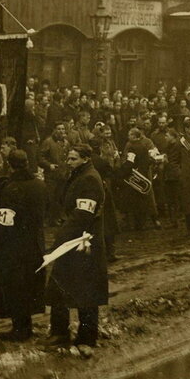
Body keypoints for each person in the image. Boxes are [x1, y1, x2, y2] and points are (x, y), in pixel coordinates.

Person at [44, 144, 109, 354]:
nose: (69, 162)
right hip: (73, 240)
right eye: (68, 158)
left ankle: (87, 337)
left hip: (84, 242)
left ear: (85, 158)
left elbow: (83, 215)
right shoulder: (77, 175)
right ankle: (59, 331)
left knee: (86, 291)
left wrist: (60, 239)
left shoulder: (89, 178)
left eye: (73, 158)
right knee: (60, 284)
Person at [0, 149, 47, 341]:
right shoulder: (39, 185)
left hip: (14, 246)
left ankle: (20, 329)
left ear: (10, 165)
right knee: (30, 284)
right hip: (35, 243)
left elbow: (5, 221)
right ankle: (26, 326)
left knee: (15, 286)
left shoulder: (11, 188)